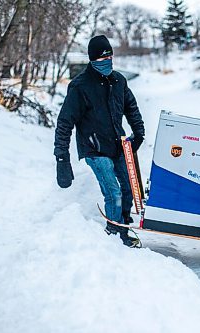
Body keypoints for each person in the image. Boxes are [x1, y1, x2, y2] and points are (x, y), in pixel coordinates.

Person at [54, 35, 145, 247]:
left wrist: (139, 133)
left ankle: (122, 227)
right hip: (94, 148)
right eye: (103, 60)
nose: (108, 63)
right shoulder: (80, 87)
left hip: (118, 145)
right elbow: (65, 122)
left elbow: (131, 107)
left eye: (110, 58)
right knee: (113, 193)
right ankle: (114, 235)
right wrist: (62, 157)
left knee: (129, 190)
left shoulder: (119, 80)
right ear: (93, 60)